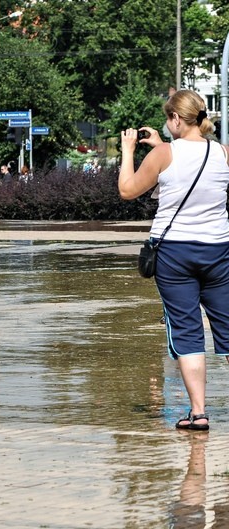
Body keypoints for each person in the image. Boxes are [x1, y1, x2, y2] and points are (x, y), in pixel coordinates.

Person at [119, 89, 229, 431]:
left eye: (169, 119)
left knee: (187, 331)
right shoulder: (223, 153)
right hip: (218, 250)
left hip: (174, 254)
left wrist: (128, 150)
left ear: (177, 119)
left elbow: (127, 189)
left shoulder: (164, 154)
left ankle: (198, 413)